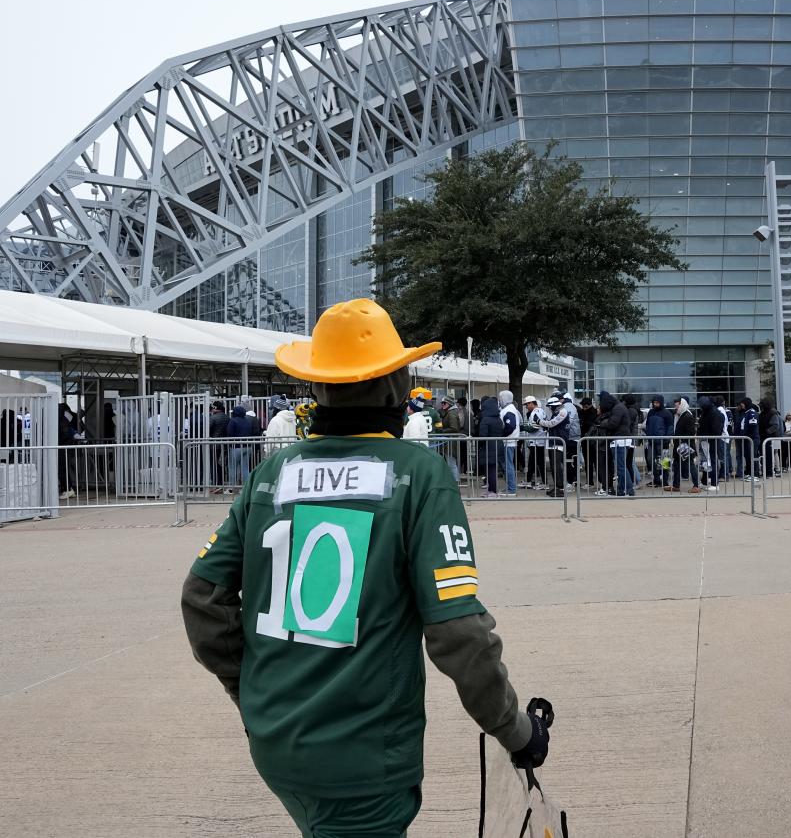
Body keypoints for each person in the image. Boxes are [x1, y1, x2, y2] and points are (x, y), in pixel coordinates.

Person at [181, 299, 547, 837]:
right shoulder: (419, 476)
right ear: (397, 387)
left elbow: (202, 600)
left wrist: (256, 693)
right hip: (366, 759)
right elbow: (458, 630)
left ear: (317, 386)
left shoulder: (272, 474)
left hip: (278, 742)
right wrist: (516, 730)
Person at [595, 391, 634, 497]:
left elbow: (613, 423)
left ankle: (628, 490)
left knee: (621, 467)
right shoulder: (619, 407)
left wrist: (602, 424)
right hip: (620, 439)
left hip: (620, 440)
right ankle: (623, 489)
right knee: (621, 467)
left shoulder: (618, 408)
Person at [538, 394, 569, 497]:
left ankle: (560, 489)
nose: (550, 409)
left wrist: (539, 421)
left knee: (556, 467)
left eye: (550, 407)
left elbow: (551, 424)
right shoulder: (556, 412)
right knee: (553, 467)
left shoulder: (562, 412)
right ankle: (557, 487)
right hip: (553, 442)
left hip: (558, 443)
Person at [644, 396, 674, 488]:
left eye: (657, 402)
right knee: (650, 459)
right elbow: (648, 425)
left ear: (661, 402)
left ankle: (665, 481)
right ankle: (656, 479)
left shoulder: (667, 413)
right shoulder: (651, 412)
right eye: (654, 402)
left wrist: (666, 440)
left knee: (664, 461)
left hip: (662, 442)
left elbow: (670, 427)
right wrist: (648, 435)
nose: (655, 404)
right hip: (651, 441)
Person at [669, 397, 697, 492]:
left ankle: (696, 485)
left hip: (686, 445)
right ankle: (676, 485)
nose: (676, 408)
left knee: (690, 465)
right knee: (676, 465)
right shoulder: (680, 415)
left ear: (682, 405)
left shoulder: (687, 416)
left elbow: (691, 432)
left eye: (677, 405)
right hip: (679, 446)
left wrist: (681, 439)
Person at [696, 395, 723, 492]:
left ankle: (715, 483)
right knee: (705, 461)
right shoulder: (706, 412)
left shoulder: (714, 413)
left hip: (711, 440)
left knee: (712, 461)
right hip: (705, 440)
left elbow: (715, 430)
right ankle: (704, 481)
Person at [477, 396, 503, 497]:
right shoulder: (498, 419)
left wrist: (480, 445)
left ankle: (492, 491)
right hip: (497, 445)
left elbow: (482, 436)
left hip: (488, 447)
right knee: (492, 469)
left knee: (490, 471)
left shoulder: (485, 420)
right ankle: (492, 490)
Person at [226, 404, 254, 489]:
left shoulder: (233, 421)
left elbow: (229, 433)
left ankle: (232, 487)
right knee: (245, 468)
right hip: (248, 447)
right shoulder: (247, 421)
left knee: (232, 468)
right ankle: (246, 488)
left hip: (236, 447)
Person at [498, 391, 521, 497]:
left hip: (508, 441)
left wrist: (502, 434)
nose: (499, 400)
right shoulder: (510, 409)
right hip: (509, 440)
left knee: (508, 466)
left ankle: (511, 489)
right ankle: (510, 487)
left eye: (500, 398)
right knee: (508, 465)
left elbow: (510, 426)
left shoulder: (508, 410)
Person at [521, 396, 546, 489]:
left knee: (539, 462)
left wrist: (523, 427)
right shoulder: (540, 411)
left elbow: (534, 428)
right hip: (537, 440)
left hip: (537, 441)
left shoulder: (536, 412)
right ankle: (528, 481)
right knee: (532, 462)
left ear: (532, 403)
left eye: (527, 404)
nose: (526, 407)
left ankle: (545, 483)